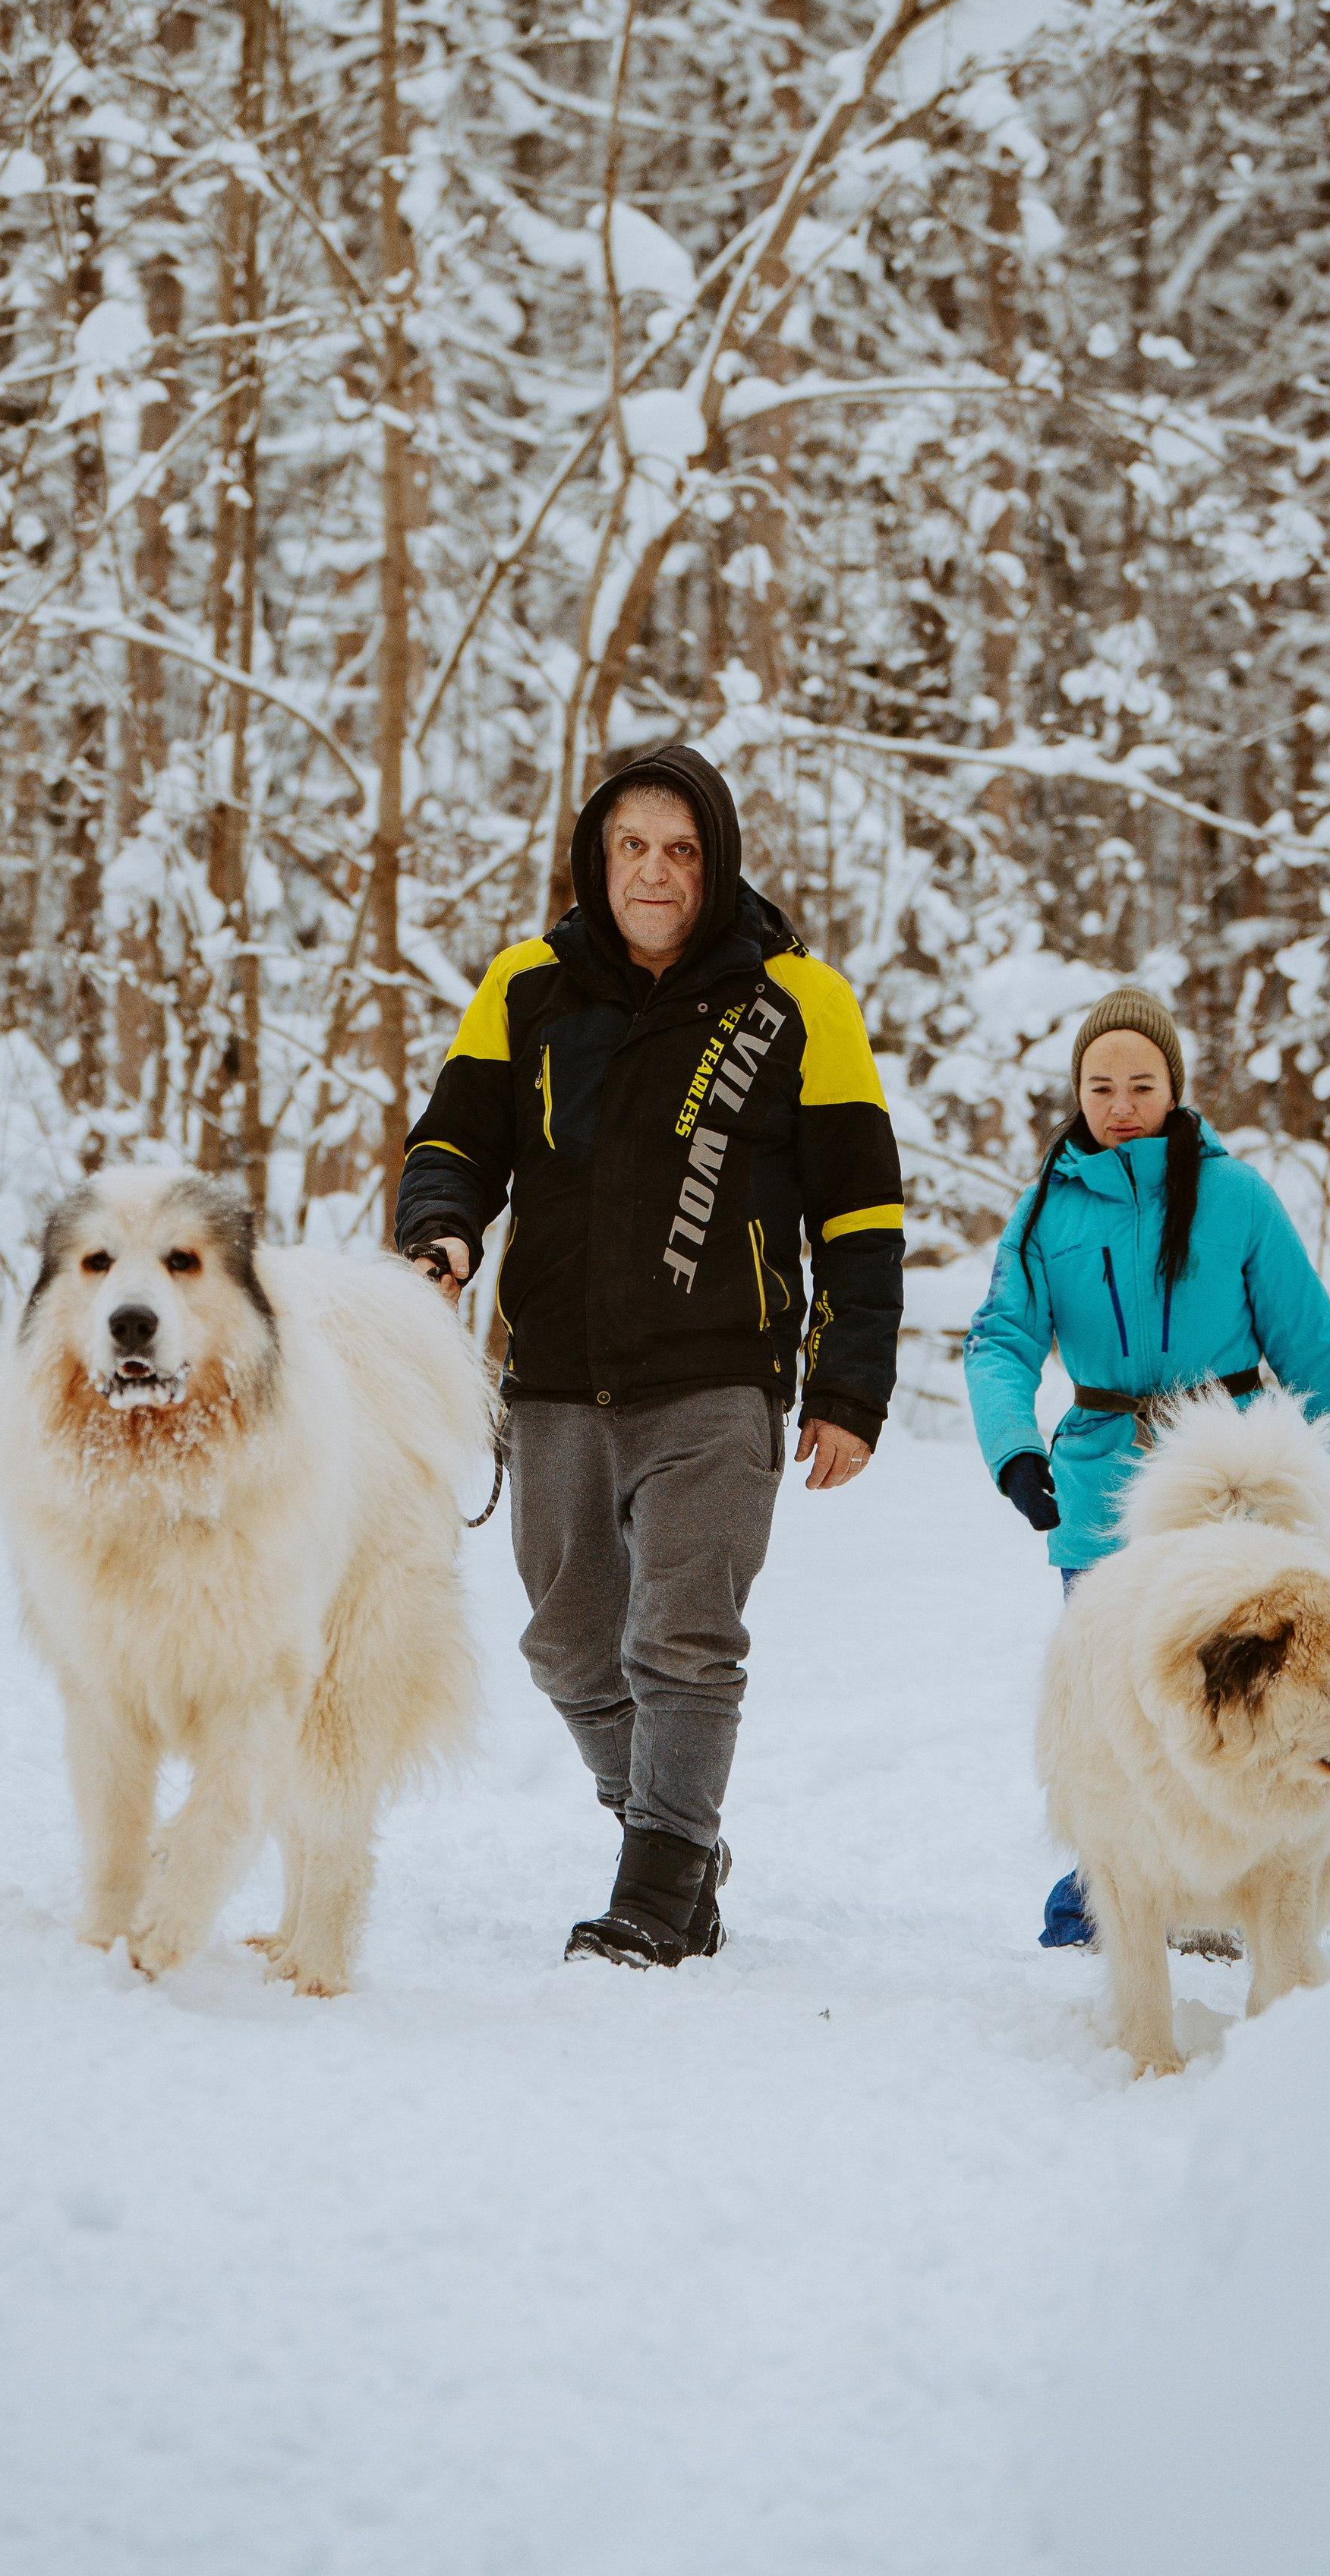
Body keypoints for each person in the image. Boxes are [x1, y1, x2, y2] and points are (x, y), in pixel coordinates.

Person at [394, 743, 904, 1967]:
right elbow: (453, 1143)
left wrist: (848, 1387)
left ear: (716, 861)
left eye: (681, 848)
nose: (656, 871)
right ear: (597, 858)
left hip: (719, 1377)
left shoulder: (798, 999)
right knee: (569, 1643)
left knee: (683, 1637)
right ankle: (678, 1837)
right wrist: (440, 1233)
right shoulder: (525, 987)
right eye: (633, 846)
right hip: (557, 1373)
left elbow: (860, 1212)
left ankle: (658, 1893)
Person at [963, 985, 1330, 1951]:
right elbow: (1000, 1339)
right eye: (1099, 1085)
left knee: (1248, 1693)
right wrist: (1011, 1452)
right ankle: (1107, 1896)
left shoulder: (1238, 1198)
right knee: (1115, 1703)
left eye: (1140, 1082)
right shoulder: (1045, 1210)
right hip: (1102, 1492)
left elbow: (1316, 1353)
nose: (1119, 1102)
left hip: (1239, 1491)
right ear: (1076, 1093)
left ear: (1174, 1087)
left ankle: (1248, 1890)